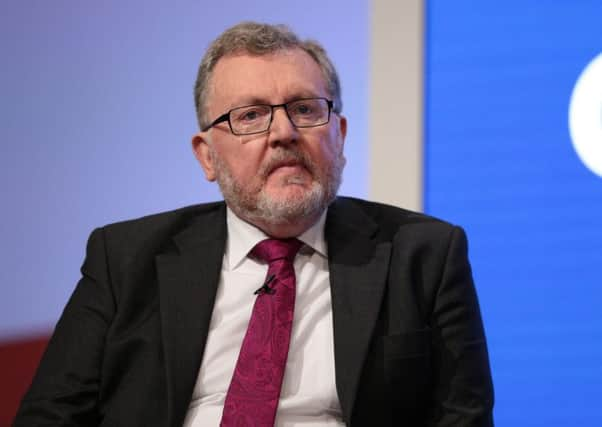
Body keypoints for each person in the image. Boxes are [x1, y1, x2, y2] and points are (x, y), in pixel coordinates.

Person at [15, 22, 494, 426]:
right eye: (251, 116)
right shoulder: (125, 258)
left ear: (339, 135)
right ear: (207, 156)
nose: (284, 133)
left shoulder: (424, 254)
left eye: (305, 109)